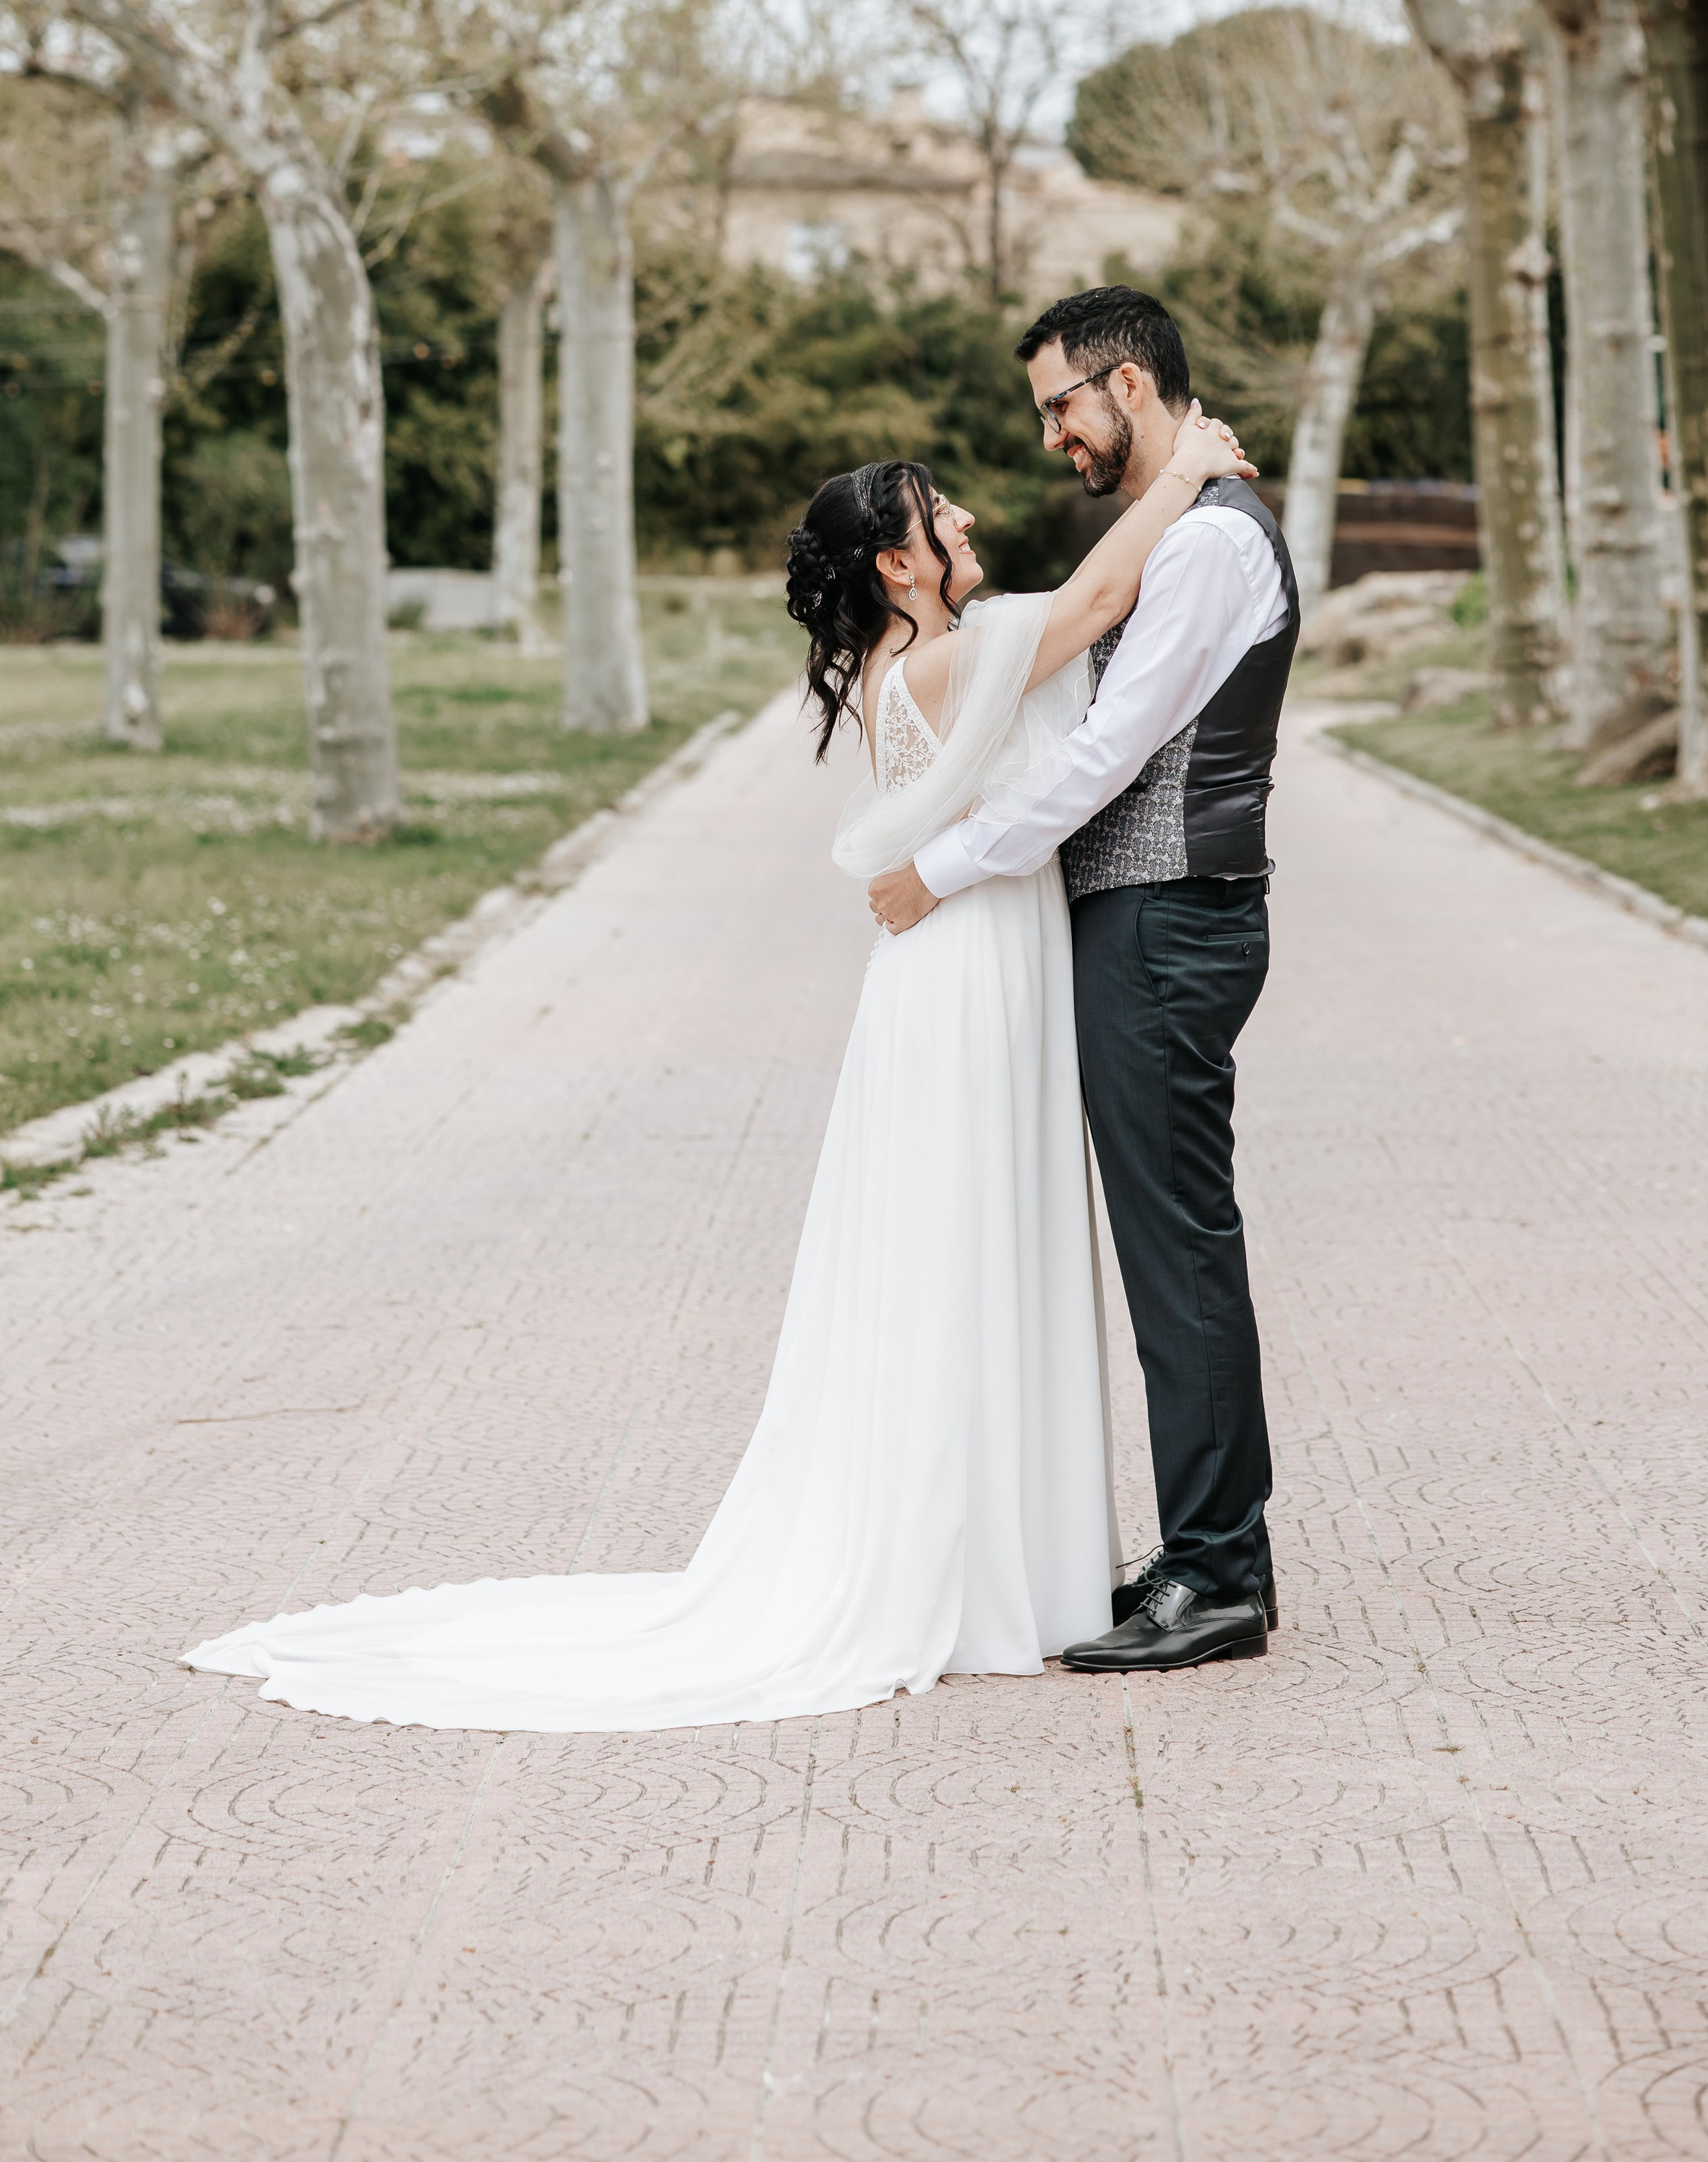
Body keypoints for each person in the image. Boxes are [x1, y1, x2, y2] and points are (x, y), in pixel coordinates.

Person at [179, 398, 1248, 1731]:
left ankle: (1004, 1554)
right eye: (942, 512)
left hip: (967, 960)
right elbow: (1096, 604)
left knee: (975, 1242)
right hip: (968, 973)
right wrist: (1192, 468)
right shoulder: (939, 667)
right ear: (900, 565)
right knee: (965, 1244)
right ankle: (972, 1564)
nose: (969, 517)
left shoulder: (918, 663)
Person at [871, 286, 1298, 1677]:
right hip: (1146, 920)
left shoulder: (1211, 551)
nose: (1053, 436)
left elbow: (1106, 751)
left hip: (1173, 922)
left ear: (1125, 380)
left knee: (1178, 1246)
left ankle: (1219, 1573)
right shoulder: (1186, 524)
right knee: (1170, 1241)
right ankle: (1209, 1549)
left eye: (1062, 404)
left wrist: (949, 867)